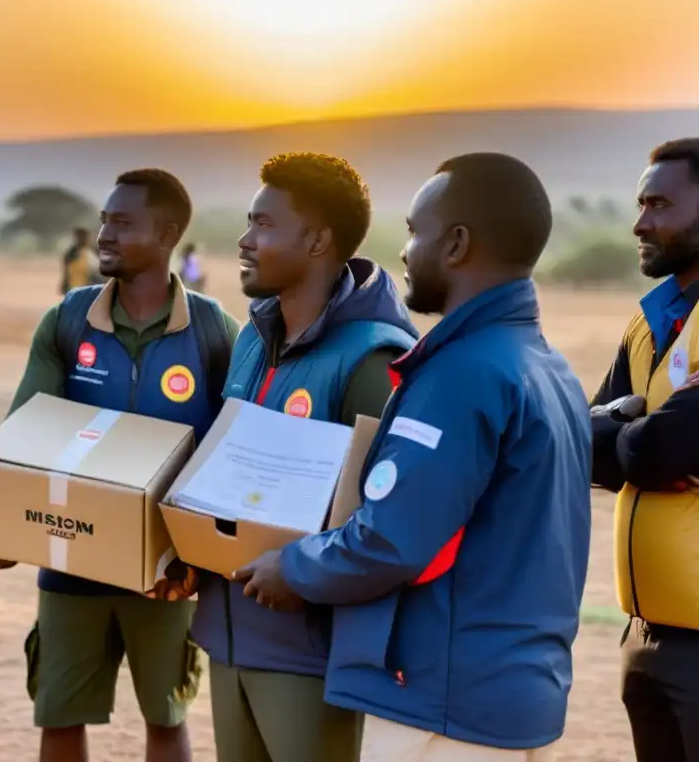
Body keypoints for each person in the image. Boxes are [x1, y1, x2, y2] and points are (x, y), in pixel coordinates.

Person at [237, 152, 592, 761]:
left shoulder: (462, 373)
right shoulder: (546, 365)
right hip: (515, 692)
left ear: (455, 245)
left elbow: (392, 540)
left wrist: (291, 568)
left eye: (412, 231)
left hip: (445, 703)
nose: (403, 251)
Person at [0, 168, 240, 762]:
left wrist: (197, 561)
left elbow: (230, 455)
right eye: (104, 220)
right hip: (71, 560)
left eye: (122, 223)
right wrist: (3, 527)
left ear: (168, 233)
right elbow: (25, 439)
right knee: (60, 717)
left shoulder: (213, 332)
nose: (105, 234)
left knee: (166, 718)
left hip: (166, 574)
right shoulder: (68, 323)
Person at [189, 152, 419, 762]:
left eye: (263, 225)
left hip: (309, 654)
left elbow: (380, 521)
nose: (244, 240)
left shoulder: (375, 360)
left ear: (317, 240)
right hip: (227, 634)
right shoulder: (250, 339)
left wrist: (298, 575)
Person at [590, 138, 699, 762]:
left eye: (659, 204)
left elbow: (659, 449)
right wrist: (634, 437)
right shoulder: (650, 320)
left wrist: (628, 429)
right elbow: (585, 447)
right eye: (640, 203)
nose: (640, 222)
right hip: (645, 634)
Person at [61, 226, 101, 293]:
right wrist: (65, 283)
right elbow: (66, 270)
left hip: (91, 287)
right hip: (75, 287)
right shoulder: (71, 253)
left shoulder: (94, 251)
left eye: (85, 236)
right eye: (80, 236)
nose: (83, 239)